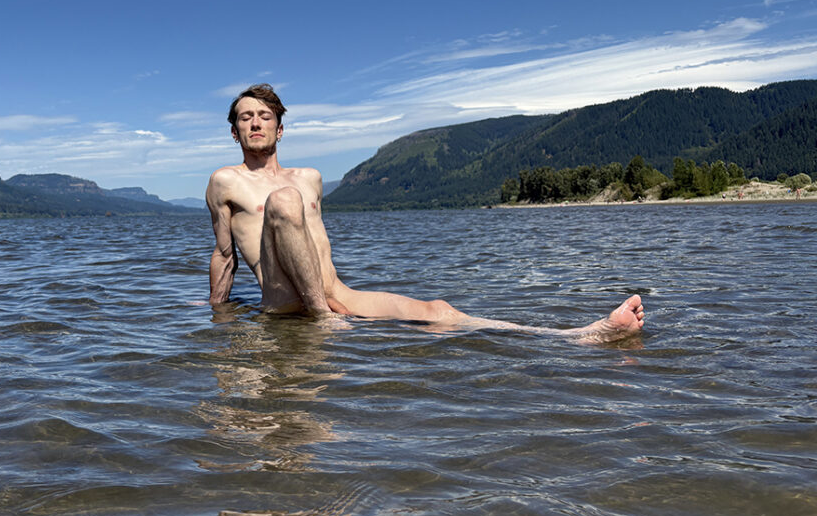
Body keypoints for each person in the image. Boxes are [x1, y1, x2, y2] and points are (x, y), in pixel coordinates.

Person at [206, 84, 644, 343]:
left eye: (264, 116)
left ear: (281, 128)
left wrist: (330, 300)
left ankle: (574, 337)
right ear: (234, 131)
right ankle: (324, 319)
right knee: (284, 201)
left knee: (438, 310)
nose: (255, 123)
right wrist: (216, 312)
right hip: (285, 301)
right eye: (246, 118)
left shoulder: (311, 177)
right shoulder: (226, 181)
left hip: (334, 292)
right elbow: (225, 256)